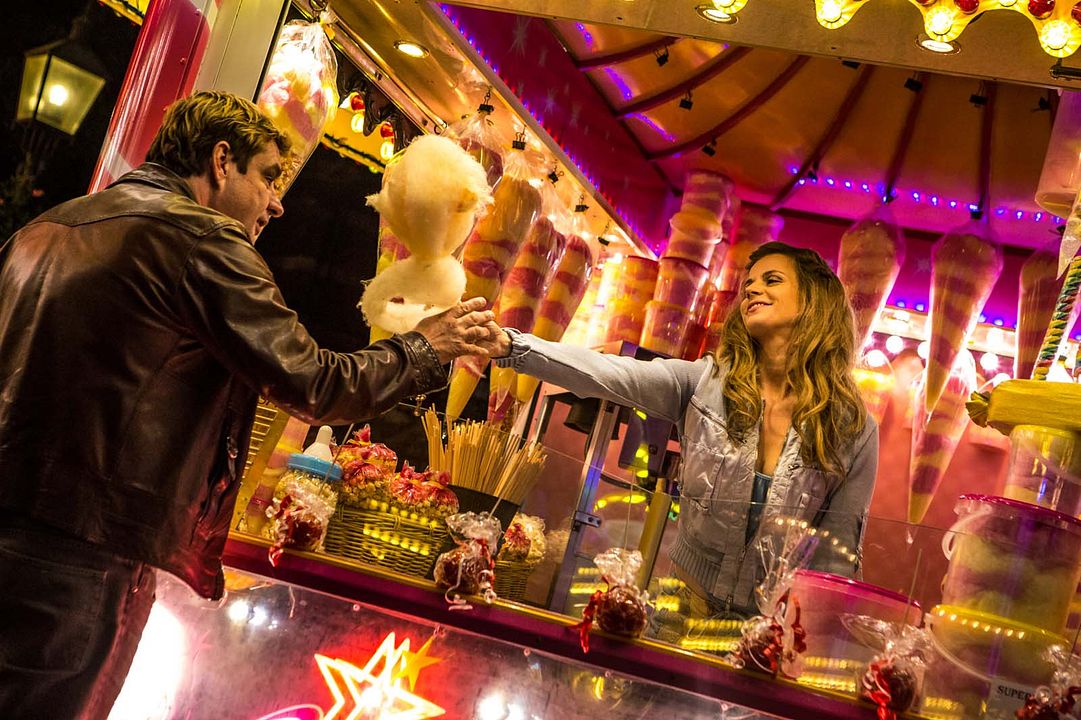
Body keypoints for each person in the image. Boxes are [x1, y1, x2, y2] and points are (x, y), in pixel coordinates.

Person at [0, 91, 501, 718]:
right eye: (267, 177)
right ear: (219, 161)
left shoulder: (44, 229)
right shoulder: (203, 242)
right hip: (79, 558)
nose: (277, 201)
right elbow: (316, 383)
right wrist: (427, 345)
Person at [490, 242, 878, 622]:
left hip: (771, 631)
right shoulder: (704, 384)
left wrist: (813, 646)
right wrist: (512, 345)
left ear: (815, 300)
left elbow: (836, 554)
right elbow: (611, 374)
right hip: (681, 612)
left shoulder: (852, 427)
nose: (753, 290)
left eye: (772, 280)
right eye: (749, 285)